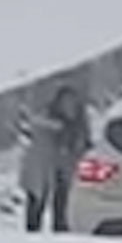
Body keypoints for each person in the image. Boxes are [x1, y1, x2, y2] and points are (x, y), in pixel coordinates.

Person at [19, 85, 90, 232]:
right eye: (65, 102)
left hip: (65, 172)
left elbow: (83, 147)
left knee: (62, 206)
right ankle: (33, 234)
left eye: (72, 103)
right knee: (36, 204)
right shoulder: (47, 120)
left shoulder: (79, 127)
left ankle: (59, 232)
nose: (69, 107)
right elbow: (36, 126)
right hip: (42, 170)